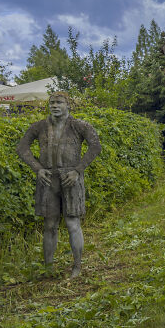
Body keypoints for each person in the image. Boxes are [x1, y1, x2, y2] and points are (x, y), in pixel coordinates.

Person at [17, 92, 101, 277]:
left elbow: (95, 146)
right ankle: (48, 268)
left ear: (68, 105)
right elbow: (22, 147)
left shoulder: (79, 125)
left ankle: (77, 266)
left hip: (70, 178)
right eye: (52, 102)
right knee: (49, 225)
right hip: (47, 178)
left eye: (59, 102)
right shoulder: (38, 126)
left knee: (73, 223)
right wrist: (37, 168)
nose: (55, 105)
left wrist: (78, 170)